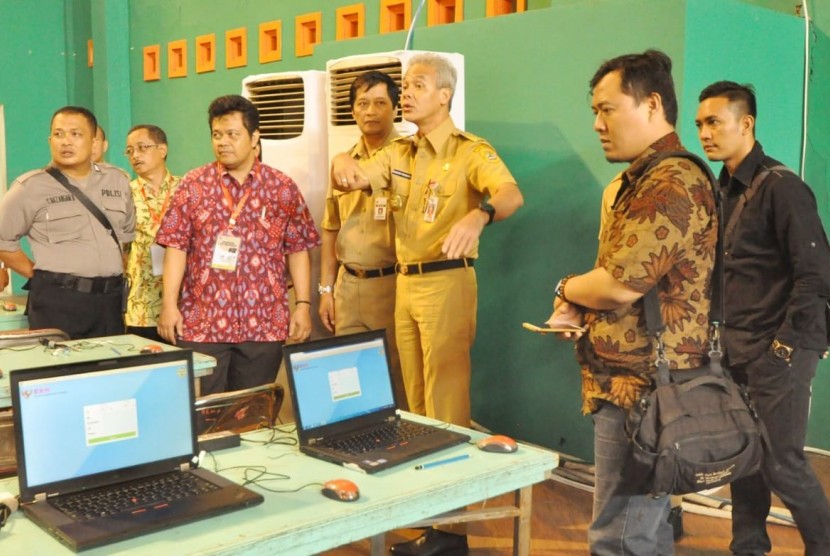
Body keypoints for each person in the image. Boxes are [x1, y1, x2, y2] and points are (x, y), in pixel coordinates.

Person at [332, 53, 523, 555]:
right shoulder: (401, 154)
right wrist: (343, 167)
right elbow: (350, 175)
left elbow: (510, 194)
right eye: (406, 85)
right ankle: (427, 519)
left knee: (446, 403)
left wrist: (479, 216)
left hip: (447, 283)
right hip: (405, 284)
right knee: (414, 407)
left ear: (444, 95)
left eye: (418, 84)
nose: (407, 93)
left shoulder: (468, 151)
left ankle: (453, 531)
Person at [547, 50, 716, 555]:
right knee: (642, 529)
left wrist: (565, 288)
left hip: (642, 392)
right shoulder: (645, 178)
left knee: (620, 536)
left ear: (652, 105)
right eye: (594, 112)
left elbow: (620, 283)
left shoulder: (671, 181)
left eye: (608, 109)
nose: (598, 124)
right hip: (635, 385)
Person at [696, 81, 830, 555]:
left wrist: (784, 350)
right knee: (744, 456)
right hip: (735, 349)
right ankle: (747, 547)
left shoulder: (782, 187)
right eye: (699, 124)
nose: (705, 134)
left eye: (714, 122)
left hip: (780, 350)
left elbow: (816, 277)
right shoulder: (723, 190)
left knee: (782, 463)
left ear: (746, 123)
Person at [155, 94, 320, 395]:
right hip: (202, 323)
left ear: (255, 137)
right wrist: (168, 305)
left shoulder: (281, 187)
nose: (223, 142)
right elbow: (175, 247)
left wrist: (303, 306)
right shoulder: (194, 185)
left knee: (254, 415)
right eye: (217, 135)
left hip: (264, 323)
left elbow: (298, 248)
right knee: (206, 417)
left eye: (232, 134)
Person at [0, 106, 134, 339]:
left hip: (109, 302)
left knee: (109, 369)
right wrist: (39, 275)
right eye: (58, 134)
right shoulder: (30, 187)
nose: (66, 142)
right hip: (59, 301)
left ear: (94, 143)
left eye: (75, 134)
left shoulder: (117, 180)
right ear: (50, 140)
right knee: (62, 372)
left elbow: (126, 236)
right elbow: (3, 240)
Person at [319, 70, 407, 408]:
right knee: (347, 380)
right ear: (353, 111)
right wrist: (326, 291)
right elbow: (330, 229)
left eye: (380, 103)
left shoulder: (409, 156)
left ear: (395, 109)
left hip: (393, 285)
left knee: (397, 381)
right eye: (363, 104)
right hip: (349, 286)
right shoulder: (342, 163)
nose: (371, 111)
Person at [124, 124, 180, 342]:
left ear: (162, 150)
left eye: (142, 147)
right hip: (141, 305)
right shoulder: (125, 192)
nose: (135, 155)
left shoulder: (186, 188)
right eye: (130, 151)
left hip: (183, 302)